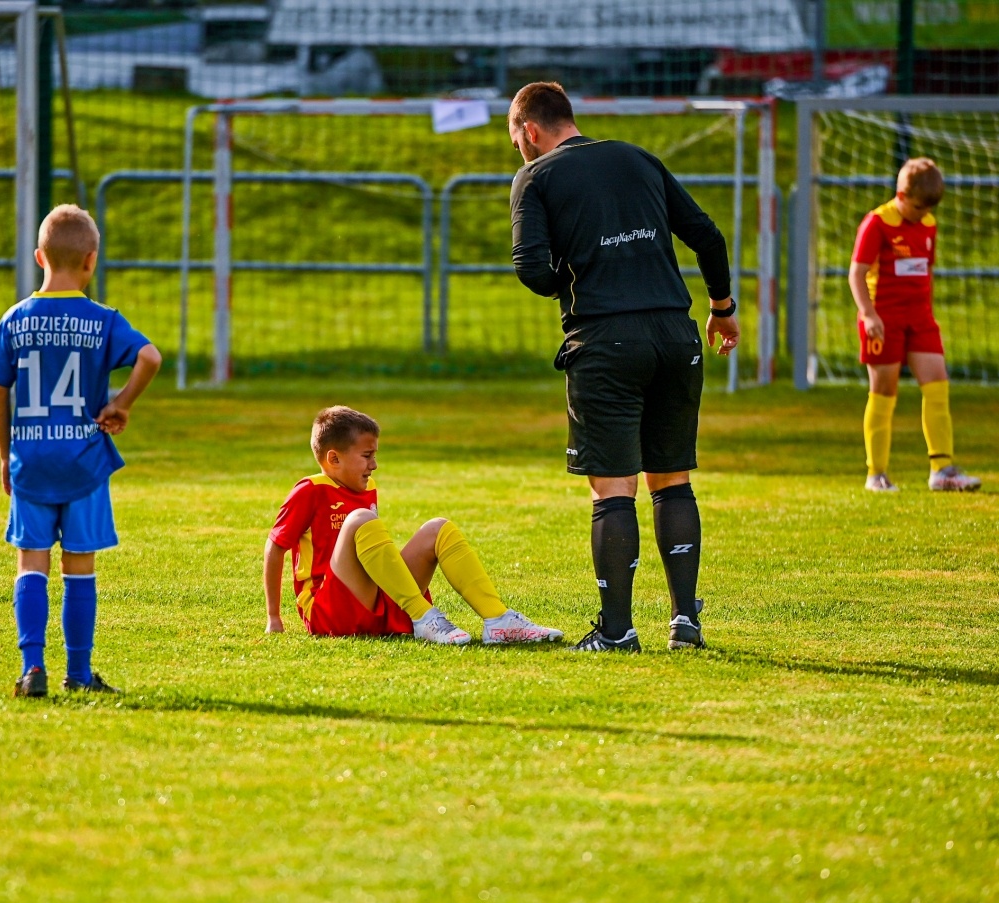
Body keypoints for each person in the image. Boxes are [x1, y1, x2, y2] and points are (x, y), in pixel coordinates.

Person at [508, 81, 738, 653]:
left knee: (613, 487)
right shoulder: (639, 158)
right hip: (674, 333)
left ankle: (617, 631)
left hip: (606, 339)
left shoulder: (535, 177)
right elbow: (707, 236)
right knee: (672, 478)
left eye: (516, 138)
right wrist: (722, 308)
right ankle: (686, 623)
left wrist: (586, 272)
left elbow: (532, 270)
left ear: (530, 130)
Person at [0, 204, 162, 697]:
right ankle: (79, 674)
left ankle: (32, 669)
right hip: (83, 460)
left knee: (31, 562)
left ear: (40, 257)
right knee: (79, 566)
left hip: (32, 459)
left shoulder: (16, 318)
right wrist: (121, 403)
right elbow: (150, 356)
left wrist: (4, 454)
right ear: (90, 262)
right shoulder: (102, 319)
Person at [264, 405, 562, 646]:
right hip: (329, 613)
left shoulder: (368, 488)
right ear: (334, 458)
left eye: (375, 455)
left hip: (373, 605)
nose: (374, 465)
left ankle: (498, 620)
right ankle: (425, 618)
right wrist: (273, 617)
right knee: (361, 519)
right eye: (367, 456)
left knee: (438, 528)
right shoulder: (309, 490)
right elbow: (275, 547)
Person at [849, 157, 981, 493]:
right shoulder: (876, 223)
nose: (924, 215)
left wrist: (927, 311)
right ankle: (876, 474)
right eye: (919, 207)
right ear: (902, 195)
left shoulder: (928, 224)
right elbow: (857, 273)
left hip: (919, 318)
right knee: (883, 393)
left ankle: (943, 470)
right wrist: (869, 314)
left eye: (929, 209)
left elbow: (925, 271)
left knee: (938, 384)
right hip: (883, 317)